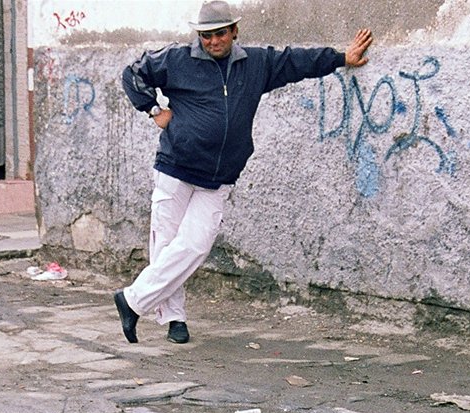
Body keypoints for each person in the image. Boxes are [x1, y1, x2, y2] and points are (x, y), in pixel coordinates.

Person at [113, 1, 374, 344]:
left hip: (219, 175)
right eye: (205, 35)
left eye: (220, 33)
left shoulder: (257, 64)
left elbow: (297, 62)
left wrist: (341, 58)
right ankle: (174, 318)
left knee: (194, 245)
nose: (213, 41)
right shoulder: (177, 60)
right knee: (165, 244)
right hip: (175, 167)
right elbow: (133, 74)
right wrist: (153, 109)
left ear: (235, 31)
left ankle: (132, 300)